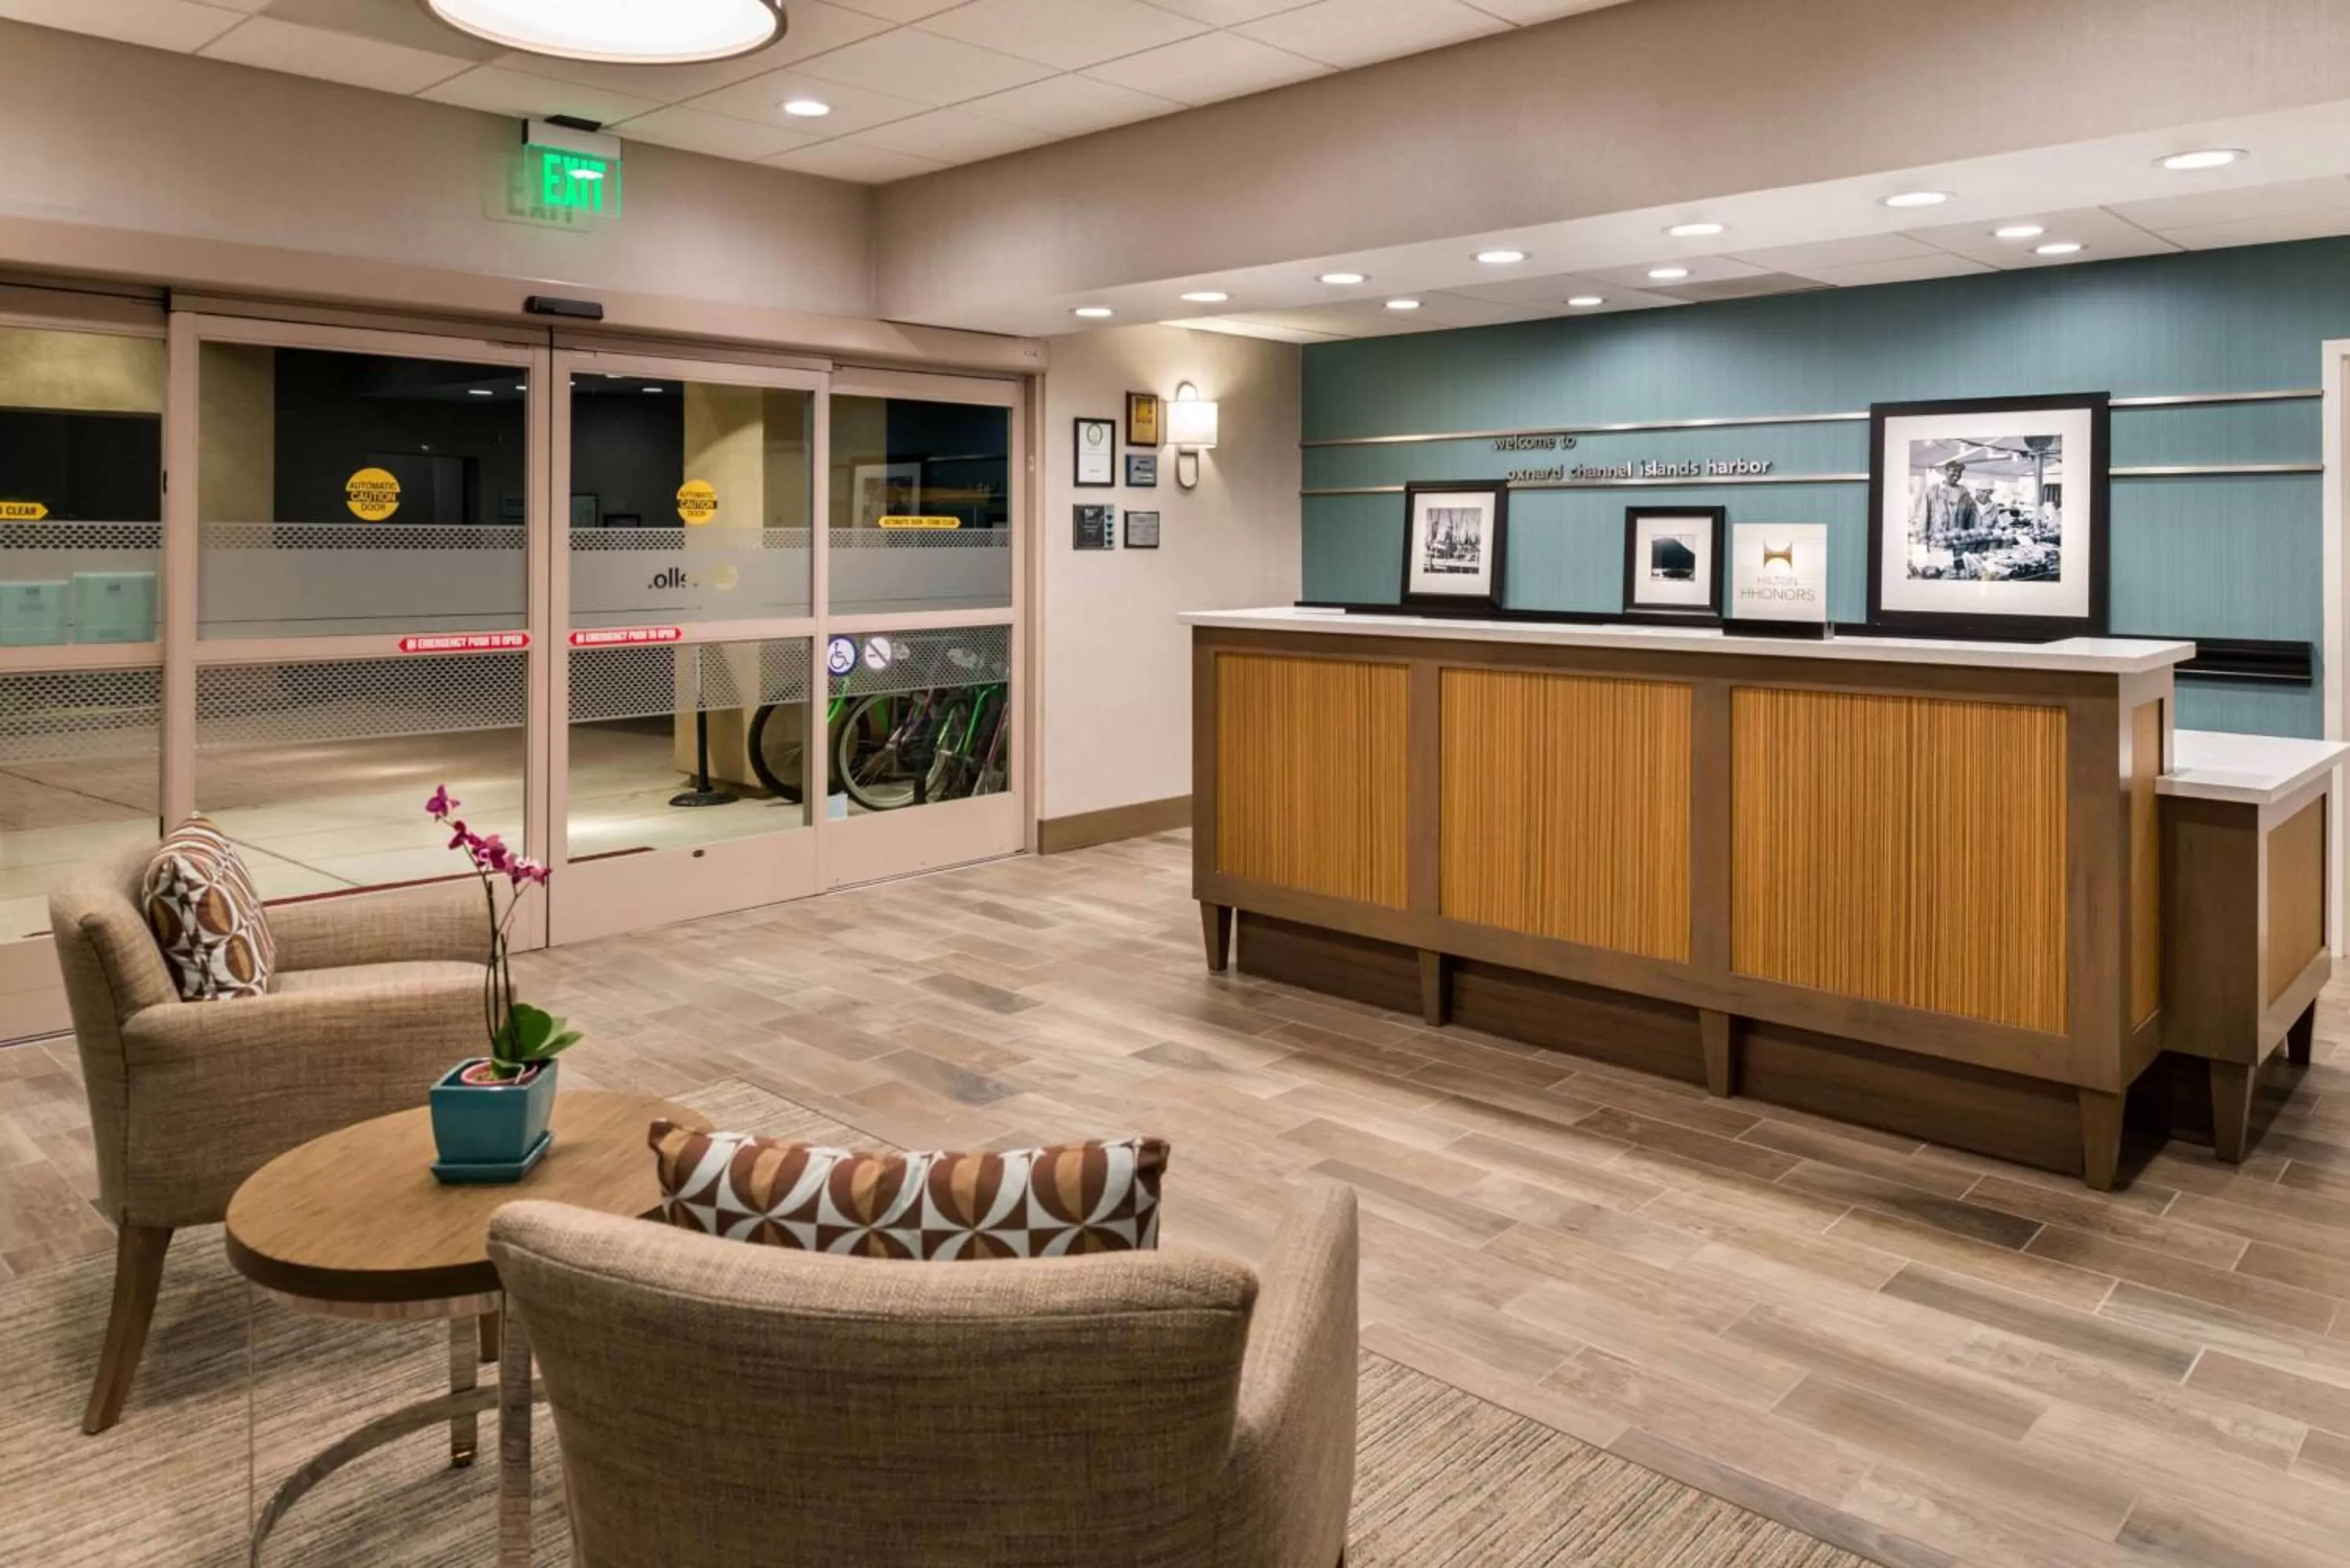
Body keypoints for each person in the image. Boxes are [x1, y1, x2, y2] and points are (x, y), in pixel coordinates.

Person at [1911, 457, 1979, 557]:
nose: (1957, 475)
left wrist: (1970, 539)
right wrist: (1923, 542)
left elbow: (1972, 520)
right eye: (1954, 471)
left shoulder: (1965, 494)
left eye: (1960, 472)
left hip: (1958, 544)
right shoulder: (1933, 491)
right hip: (1937, 543)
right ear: (1945, 471)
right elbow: (1923, 517)